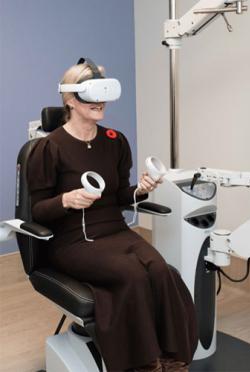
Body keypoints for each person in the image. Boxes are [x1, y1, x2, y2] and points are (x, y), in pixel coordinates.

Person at [27, 60, 197, 371]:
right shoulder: (48, 148)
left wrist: (142, 189)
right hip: (73, 241)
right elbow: (37, 210)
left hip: (115, 232)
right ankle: (142, 363)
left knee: (160, 269)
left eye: (104, 95)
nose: (101, 103)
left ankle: (172, 359)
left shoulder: (115, 142)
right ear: (70, 101)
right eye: (93, 96)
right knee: (130, 274)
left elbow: (119, 197)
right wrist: (65, 200)